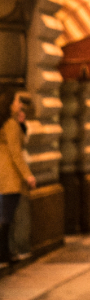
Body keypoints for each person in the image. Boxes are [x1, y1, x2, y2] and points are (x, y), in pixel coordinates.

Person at [0, 91, 35, 266]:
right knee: (6, 217)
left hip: (3, 174)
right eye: (16, 101)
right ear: (9, 104)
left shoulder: (6, 123)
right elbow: (16, 153)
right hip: (9, 176)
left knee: (5, 216)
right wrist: (27, 175)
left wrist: (22, 125)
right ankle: (4, 253)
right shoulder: (10, 124)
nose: (19, 104)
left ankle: (6, 252)